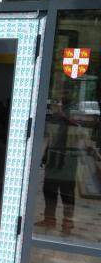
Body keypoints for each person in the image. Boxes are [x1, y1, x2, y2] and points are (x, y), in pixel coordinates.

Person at [37, 88, 80, 233]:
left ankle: (67, 222)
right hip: (53, 157)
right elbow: (51, 135)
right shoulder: (57, 112)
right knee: (49, 189)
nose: (63, 95)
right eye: (62, 93)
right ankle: (49, 219)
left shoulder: (76, 110)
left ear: (73, 94)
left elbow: (80, 127)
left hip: (68, 158)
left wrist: (63, 116)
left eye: (66, 92)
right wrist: (45, 154)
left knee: (67, 191)